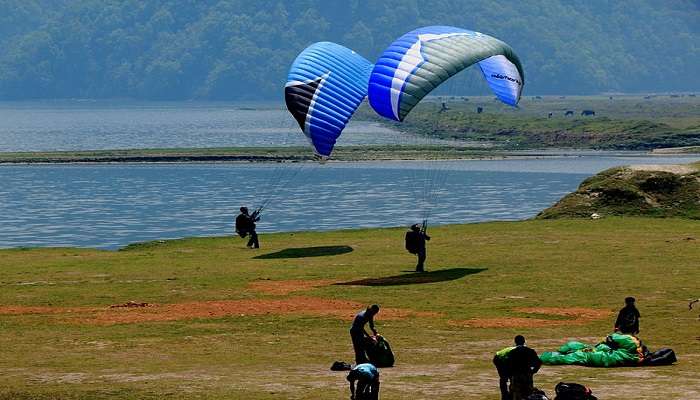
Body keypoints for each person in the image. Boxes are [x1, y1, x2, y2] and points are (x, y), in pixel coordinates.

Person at [507, 335, 542, 400]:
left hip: (517, 376)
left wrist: (511, 375)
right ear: (524, 342)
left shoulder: (512, 353)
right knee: (528, 393)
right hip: (527, 375)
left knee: (517, 394)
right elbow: (539, 362)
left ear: (515, 342)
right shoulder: (530, 351)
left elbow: (508, 366)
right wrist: (533, 371)